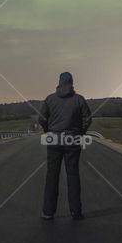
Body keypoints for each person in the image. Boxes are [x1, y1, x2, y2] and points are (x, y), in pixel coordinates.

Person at [39, 71, 92, 220]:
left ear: (59, 82)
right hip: (72, 140)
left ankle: (48, 212)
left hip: (54, 140)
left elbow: (42, 119)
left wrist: (48, 131)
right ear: (72, 82)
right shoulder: (79, 99)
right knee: (73, 175)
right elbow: (88, 118)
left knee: (51, 176)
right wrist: (80, 133)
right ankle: (76, 212)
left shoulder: (49, 99)